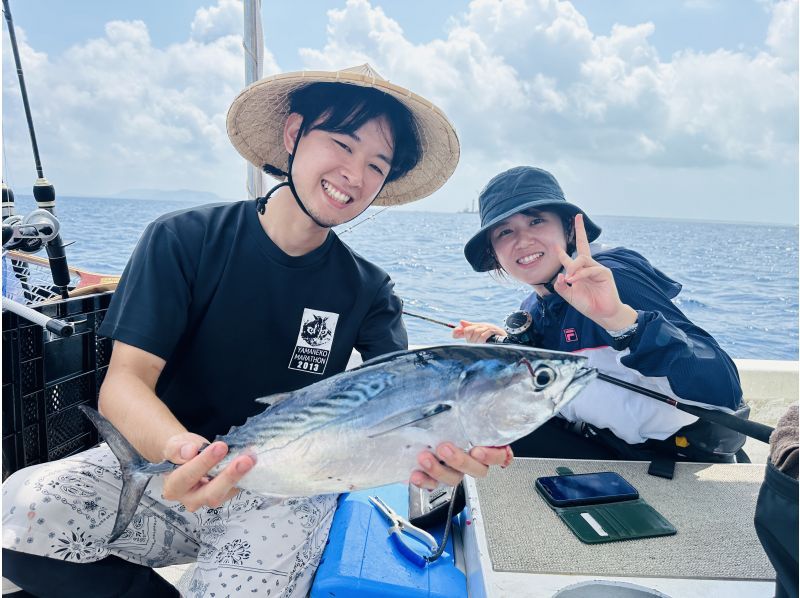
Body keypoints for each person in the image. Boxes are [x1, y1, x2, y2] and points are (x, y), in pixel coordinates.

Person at [2, 64, 511, 598]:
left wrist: (442, 452)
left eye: (376, 165)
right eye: (341, 143)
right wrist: (184, 451)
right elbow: (125, 381)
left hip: (293, 486)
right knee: (19, 515)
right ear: (294, 135)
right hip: (169, 462)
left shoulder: (369, 289)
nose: (354, 175)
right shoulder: (184, 239)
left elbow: (403, 397)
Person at [454, 166, 746, 463]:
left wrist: (621, 320)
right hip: (603, 447)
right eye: (505, 231)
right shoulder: (533, 306)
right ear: (494, 253)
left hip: (673, 461)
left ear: (568, 229)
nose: (523, 239)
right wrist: (505, 346)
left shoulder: (612, 279)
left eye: (536, 220)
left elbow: (723, 391)